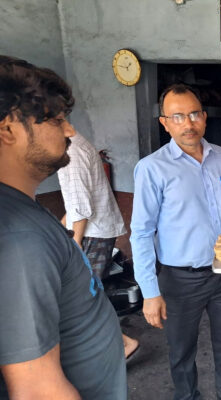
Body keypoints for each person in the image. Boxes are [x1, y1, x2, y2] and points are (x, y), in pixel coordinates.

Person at [0, 56, 127, 399]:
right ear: (8, 130)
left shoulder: (23, 209)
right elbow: (36, 388)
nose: (70, 130)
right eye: (57, 120)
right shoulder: (20, 238)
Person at [130, 83, 221, 400]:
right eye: (177, 116)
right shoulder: (152, 168)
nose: (188, 123)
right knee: (182, 348)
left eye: (194, 114)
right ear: (165, 123)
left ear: (204, 116)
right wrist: (150, 292)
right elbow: (141, 232)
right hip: (180, 279)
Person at [57, 131, 139, 360]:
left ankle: (122, 343)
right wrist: (58, 229)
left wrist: (74, 246)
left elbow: (81, 209)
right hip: (91, 231)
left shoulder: (72, 151)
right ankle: (116, 343)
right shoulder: (74, 145)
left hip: (92, 234)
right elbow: (75, 206)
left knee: (84, 297)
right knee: (86, 295)